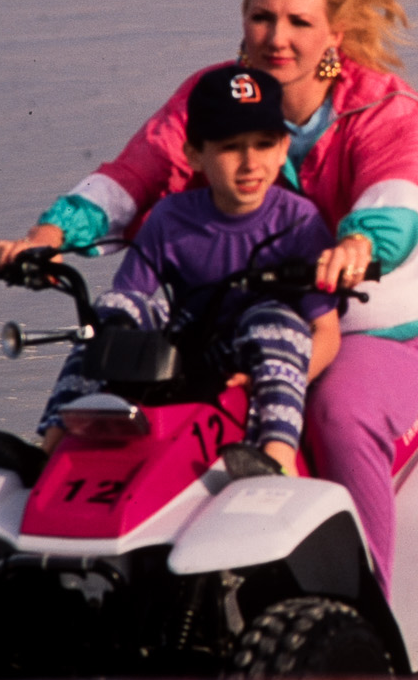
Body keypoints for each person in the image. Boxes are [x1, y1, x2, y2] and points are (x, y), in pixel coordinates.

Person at [0, 0, 418, 587]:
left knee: (338, 416)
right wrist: (50, 236)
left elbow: (408, 184)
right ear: (243, 17)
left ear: (335, 31)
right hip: (233, 325)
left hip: (356, 330)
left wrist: (360, 242)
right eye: (263, 16)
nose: (277, 37)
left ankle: (371, 611)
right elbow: (138, 171)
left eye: (298, 20)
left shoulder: (384, 110)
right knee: (130, 374)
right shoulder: (212, 99)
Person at [20, 66, 340, 479]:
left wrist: (274, 376)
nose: (249, 163)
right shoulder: (171, 217)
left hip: (260, 356)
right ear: (194, 155)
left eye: (264, 144)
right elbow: (129, 303)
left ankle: (277, 458)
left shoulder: (300, 221)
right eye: (229, 147)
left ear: (283, 148)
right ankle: (53, 446)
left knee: (273, 317)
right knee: (111, 309)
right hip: (189, 349)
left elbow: (326, 332)